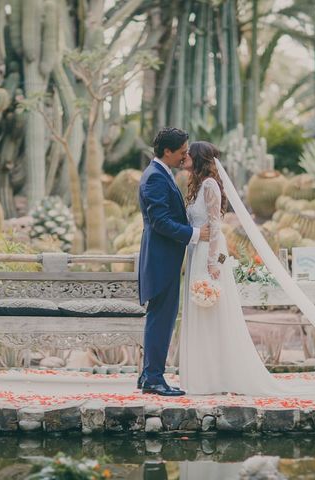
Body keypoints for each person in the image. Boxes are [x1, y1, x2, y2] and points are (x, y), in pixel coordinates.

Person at [179, 141, 285, 395]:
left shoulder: (210, 185)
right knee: (201, 311)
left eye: (188, 154)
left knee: (212, 311)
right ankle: (205, 376)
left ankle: (218, 376)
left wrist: (213, 262)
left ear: (198, 158)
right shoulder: (196, 186)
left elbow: (215, 224)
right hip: (197, 251)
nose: (184, 157)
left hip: (209, 252)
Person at [137, 127, 210, 396]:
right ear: (167, 151)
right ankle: (154, 379)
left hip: (163, 258)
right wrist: (195, 234)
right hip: (160, 259)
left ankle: (149, 376)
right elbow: (160, 222)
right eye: (181, 151)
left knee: (161, 318)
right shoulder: (155, 178)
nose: (185, 155)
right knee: (161, 319)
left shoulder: (160, 173)